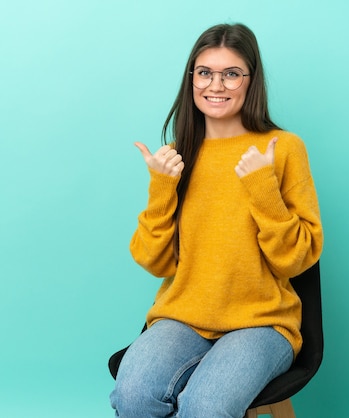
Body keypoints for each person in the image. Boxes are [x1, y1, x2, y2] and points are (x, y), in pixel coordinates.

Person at [109, 23, 323, 418]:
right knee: (132, 396)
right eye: (205, 72)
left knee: (206, 407)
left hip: (262, 323)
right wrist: (161, 189)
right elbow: (156, 262)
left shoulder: (283, 149)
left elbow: (297, 260)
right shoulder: (177, 155)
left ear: (251, 80)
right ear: (192, 78)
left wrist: (264, 188)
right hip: (183, 317)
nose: (216, 85)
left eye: (231, 74)